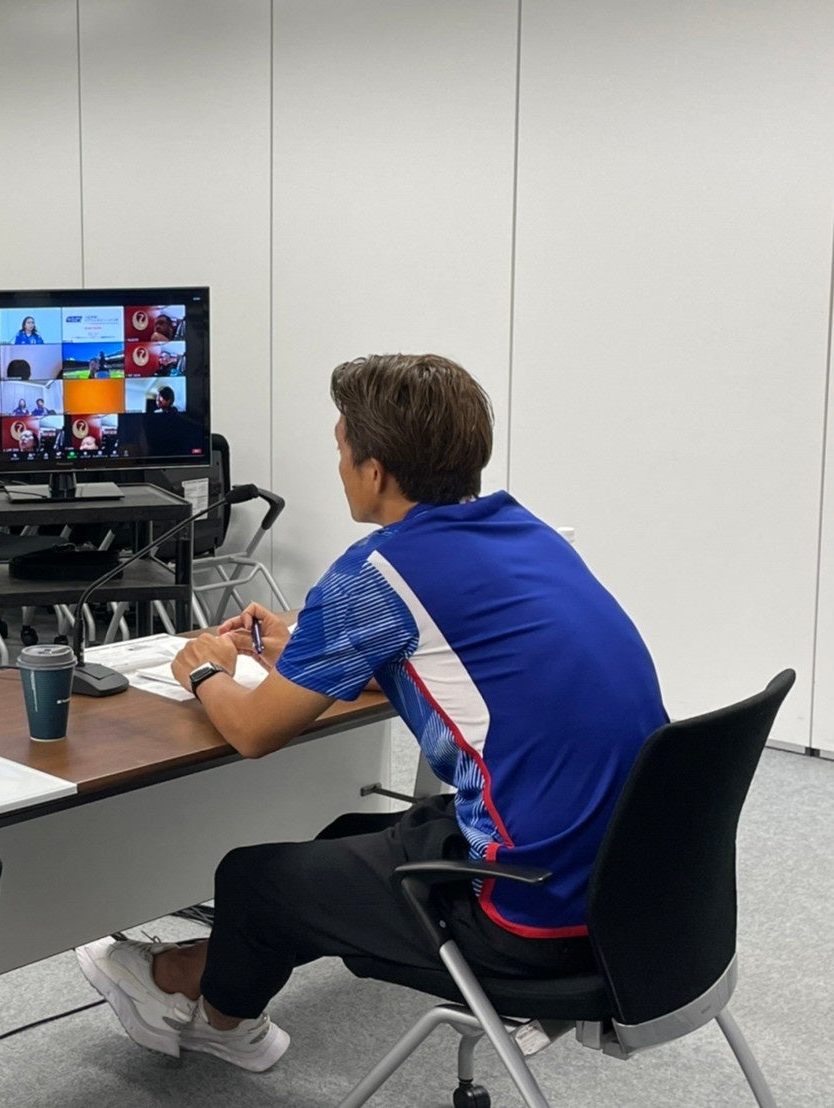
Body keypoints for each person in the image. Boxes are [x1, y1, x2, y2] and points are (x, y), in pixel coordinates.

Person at [75, 353, 666, 1073]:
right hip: (634, 889)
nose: (339, 466)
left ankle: (215, 1018)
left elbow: (254, 730)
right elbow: (458, 659)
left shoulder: (377, 572)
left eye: (340, 450)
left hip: (530, 917)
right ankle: (210, 972)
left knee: (254, 880)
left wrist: (203, 669)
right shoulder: (528, 532)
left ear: (375, 470)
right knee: (346, 836)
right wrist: (311, 646)